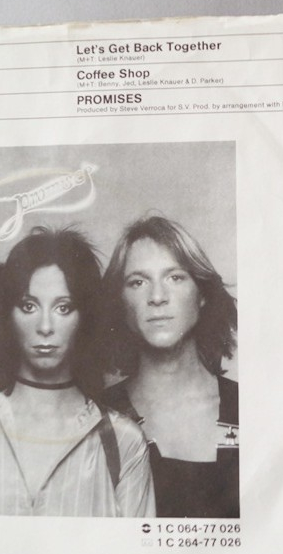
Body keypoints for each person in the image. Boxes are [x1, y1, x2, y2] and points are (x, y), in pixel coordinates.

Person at [0, 227, 154, 517]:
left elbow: (136, 547)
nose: (45, 326)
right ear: (8, 313)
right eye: (29, 306)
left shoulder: (124, 442)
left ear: (85, 316)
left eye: (63, 308)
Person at [100, 216, 239, 518]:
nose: (157, 297)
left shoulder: (249, 406)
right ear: (119, 301)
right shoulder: (97, 418)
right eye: (138, 282)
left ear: (202, 294)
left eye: (175, 278)